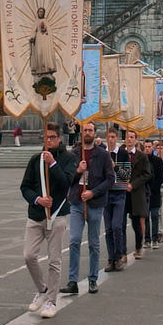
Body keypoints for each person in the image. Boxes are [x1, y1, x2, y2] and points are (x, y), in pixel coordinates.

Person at [19, 122, 76, 319]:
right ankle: (42, 289)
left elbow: (67, 182)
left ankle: (51, 300)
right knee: (29, 255)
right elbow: (25, 187)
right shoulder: (35, 159)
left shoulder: (68, 158)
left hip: (57, 215)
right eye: (46, 137)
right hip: (36, 215)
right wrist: (37, 199)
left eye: (52, 137)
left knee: (54, 261)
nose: (49, 140)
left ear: (59, 138)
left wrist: (53, 164)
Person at [61, 121, 113, 296]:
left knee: (94, 243)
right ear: (81, 132)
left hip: (95, 203)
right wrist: (77, 171)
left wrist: (93, 192)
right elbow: (66, 180)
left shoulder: (103, 155)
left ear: (95, 132)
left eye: (91, 130)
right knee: (74, 240)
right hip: (76, 202)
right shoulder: (74, 154)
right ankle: (72, 281)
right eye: (85, 130)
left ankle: (92, 279)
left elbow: (110, 179)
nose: (88, 132)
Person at [122, 129, 151, 259]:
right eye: (128, 137)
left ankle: (139, 246)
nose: (129, 139)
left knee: (136, 223)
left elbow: (147, 174)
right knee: (120, 224)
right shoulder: (120, 154)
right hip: (122, 192)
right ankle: (121, 252)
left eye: (132, 137)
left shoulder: (142, 156)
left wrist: (133, 184)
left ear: (136, 140)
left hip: (136, 193)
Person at [102, 126, 128, 271]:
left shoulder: (123, 154)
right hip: (106, 194)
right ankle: (111, 258)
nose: (111, 140)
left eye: (113, 137)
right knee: (108, 228)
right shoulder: (102, 153)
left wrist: (115, 167)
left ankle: (119, 256)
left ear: (116, 138)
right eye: (109, 137)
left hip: (119, 193)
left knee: (117, 226)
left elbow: (127, 175)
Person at [29, 7, 56, 77]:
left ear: (44, 13)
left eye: (42, 12)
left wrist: (46, 30)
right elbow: (33, 31)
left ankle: (47, 69)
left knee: (45, 53)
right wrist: (32, 37)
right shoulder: (36, 21)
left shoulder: (46, 21)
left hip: (45, 40)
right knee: (39, 54)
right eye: (39, 12)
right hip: (38, 40)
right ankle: (39, 70)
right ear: (37, 13)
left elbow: (49, 31)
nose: (40, 13)